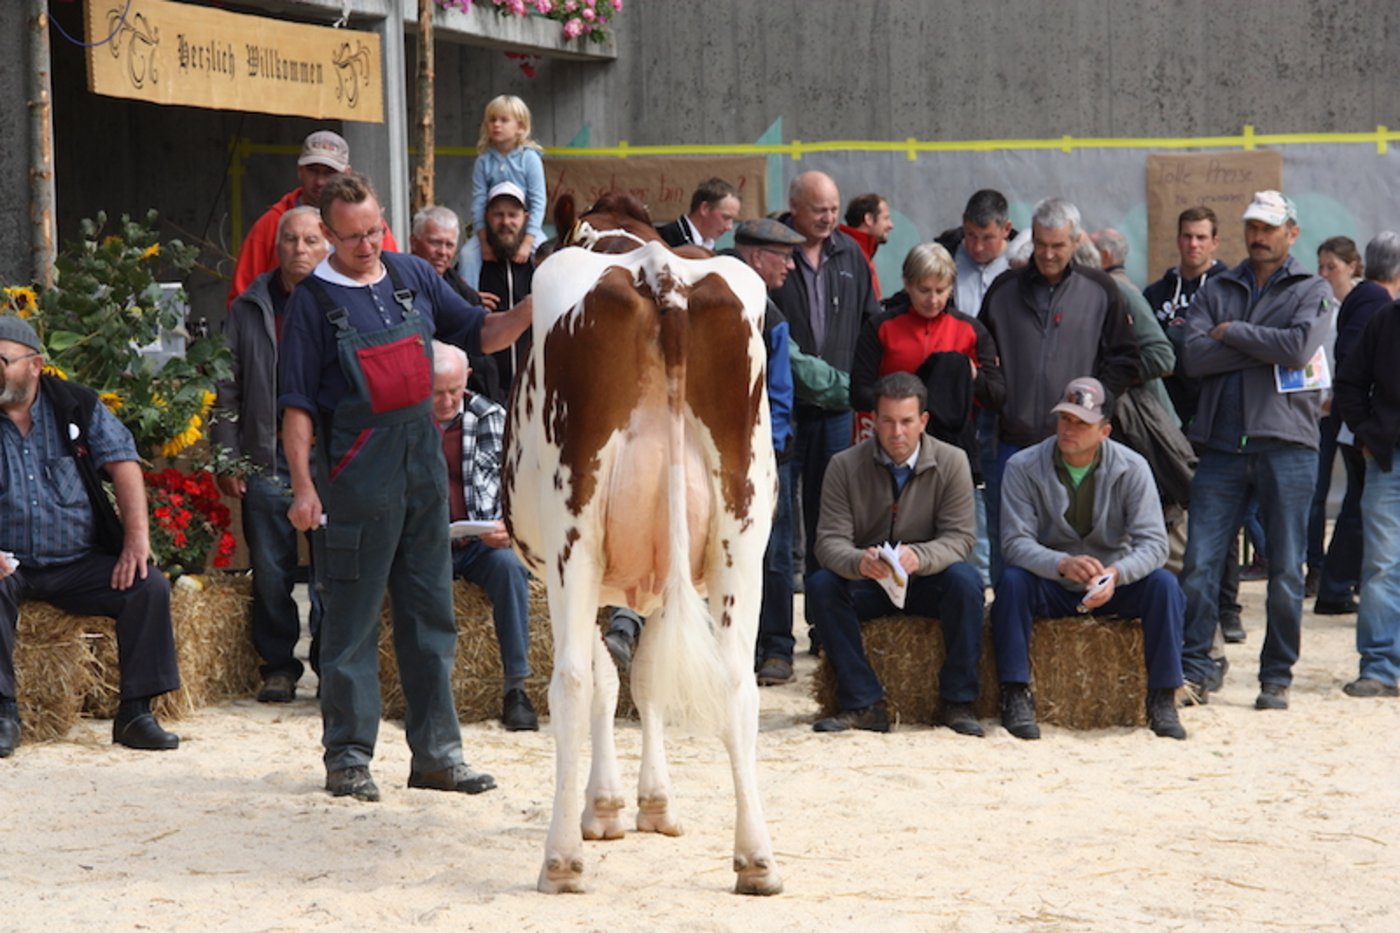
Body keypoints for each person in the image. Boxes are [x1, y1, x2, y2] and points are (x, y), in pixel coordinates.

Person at [278, 172, 532, 802]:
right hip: (357, 472)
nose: (367, 245)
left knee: (430, 616)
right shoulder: (312, 303)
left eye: (374, 230)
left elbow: (480, 333)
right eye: (352, 236)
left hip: (421, 467)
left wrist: (535, 306)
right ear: (328, 234)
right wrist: (304, 488)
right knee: (351, 624)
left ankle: (438, 757)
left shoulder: (412, 275)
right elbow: (298, 407)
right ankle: (349, 758)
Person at [1178, 190, 1334, 711]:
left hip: (1288, 444)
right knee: (1198, 563)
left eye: (1269, 227)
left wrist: (1233, 333)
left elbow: (1296, 349)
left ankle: (1276, 676)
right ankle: (1197, 668)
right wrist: (1258, 346)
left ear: (1292, 232)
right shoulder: (1218, 284)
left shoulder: (1312, 288)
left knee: (1287, 571)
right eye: (1253, 226)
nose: (1259, 236)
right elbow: (1192, 357)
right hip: (1221, 444)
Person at [0, 315, 181, 755]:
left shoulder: (75, 406)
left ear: (35, 365)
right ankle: (4, 713)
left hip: (77, 561)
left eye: (2, 360)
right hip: (8, 562)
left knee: (146, 585)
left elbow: (124, 462)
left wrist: (137, 540)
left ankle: (136, 714)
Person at [993, 377, 1186, 740]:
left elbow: (1155, 544)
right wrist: (1061, 563)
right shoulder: (1022, 465)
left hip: (1112, 583)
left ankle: (1162, 697)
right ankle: (1015, 693)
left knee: (1165, 586)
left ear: (1105, 431)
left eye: (1082, 423)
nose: (1070, 429)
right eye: (1065, 419)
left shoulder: (1133, 467)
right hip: (1052, 581)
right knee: (1012, 583)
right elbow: (1014, 542)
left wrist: (1116, 573)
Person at [806, 372, 984, 735]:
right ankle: (862, 701)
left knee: (967, 582)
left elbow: (961, 537)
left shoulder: (953, 462)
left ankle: (958, 701)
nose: (896, 432)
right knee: (822, 586)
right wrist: (859, 562)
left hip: (926, 581)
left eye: (906, 422)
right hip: (869, 582)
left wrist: (920, 556)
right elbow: (828, 542)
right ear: (873, 421)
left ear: (923, 421)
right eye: (887, 421)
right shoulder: (844, 465)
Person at [978, 197, 1140, 583]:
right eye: (1041, 244)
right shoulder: (1003, 291)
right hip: (1012, 444)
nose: (1048, 255)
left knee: (1073, 542)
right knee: (1010, 545)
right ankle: (1008, 627)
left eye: (1058, 245)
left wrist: (1095, 400)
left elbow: (1126, 359)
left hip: (1076, 445)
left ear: (1076, 241)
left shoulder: (1101, 290)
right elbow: (983, 356)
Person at [213, 206, 328, 704]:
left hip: (329, 460)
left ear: (327, 246)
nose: (299, 249)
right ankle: (278, 667)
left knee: (331, 572)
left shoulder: (340, 301)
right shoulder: (250, 307)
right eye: (290, 240)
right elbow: (226, 389)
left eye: (310, 240)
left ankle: (331, 666)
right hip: (265, 457)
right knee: (272, 570)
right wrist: (227, 456)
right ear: (276, 246)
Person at [769, 171, 881, 581]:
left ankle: (823, 625)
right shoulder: (774, 252)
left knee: (828, 520)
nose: (829, 217)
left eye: (834, 209)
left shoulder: (851, 254)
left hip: (835, 411)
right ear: (794, 207)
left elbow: (872, 323)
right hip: (785, 408)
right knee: (777, 520)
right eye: (819, 210)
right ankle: (776, 637)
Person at [431, 341, 537, 731]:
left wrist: (509, 526)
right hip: (428, 543)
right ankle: (432, 688)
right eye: (436, 392)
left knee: (510, 569)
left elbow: (521, 484)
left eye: (453, 391)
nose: (445, 401)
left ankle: (516, 688)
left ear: (467, 380)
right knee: (421, 584)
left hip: (479, 540)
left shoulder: (493, 416)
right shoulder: (406, 423)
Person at [851, 242, 1004, 486]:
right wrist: (901, 405)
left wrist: (971, 374)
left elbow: (996, 396)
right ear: (907, 285)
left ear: (951, 288)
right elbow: (859, 393)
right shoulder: (880, 327)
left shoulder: (971, 330)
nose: (933, 300)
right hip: (893, 450)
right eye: (924, 290)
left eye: (940, 290)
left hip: (951, 454)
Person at [1333, 231, 1400, 699]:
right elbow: (1349, 384)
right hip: (1389, 461)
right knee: (1381, 564)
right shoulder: (1384, 321)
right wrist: (1369, 434)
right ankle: (1379, 666)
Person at [227, 131, 399, 305]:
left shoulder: (369, 226)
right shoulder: (272, 224)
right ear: (300, 171)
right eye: (313, 171)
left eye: (329, 172)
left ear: (347, 173)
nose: (320, 181)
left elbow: (392, 280)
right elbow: (243, 300)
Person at [1306, 235, 1366, 611]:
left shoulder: (1362, 304)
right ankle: (1315, 565)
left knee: (1357, 494)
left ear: (1352, 267)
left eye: (1332, 267)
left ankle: (1346, 570)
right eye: (1322, 266)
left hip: (1348, 409)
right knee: (1314, 491)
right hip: (1319, 410)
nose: (1325, 273)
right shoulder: (1318, 304)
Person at [408, 204, 503, 403]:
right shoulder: (402, 286)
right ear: (413, 242)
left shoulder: (458, 285)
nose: (443, 252)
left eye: (449, 245)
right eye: (435, 243)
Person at [460, 94, 547, 289]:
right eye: (492, 120)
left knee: (546, 256)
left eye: (503, 120)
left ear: (520, 127)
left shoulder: (530, 159)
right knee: (467, 255)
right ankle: (470, 303)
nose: (496, 125)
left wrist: (527, 242)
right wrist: (483, 241)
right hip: (493, 227)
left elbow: (539, 201)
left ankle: (547, 302)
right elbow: (479, 202)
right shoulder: (483, 161)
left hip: (525, 228)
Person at [476, 181, 537, 396]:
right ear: (487, 218)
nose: (505, 222)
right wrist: (468, 299)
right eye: (498, 215)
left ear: (526, 219)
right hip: (485, 392)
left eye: (513, 215)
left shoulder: (539, 266)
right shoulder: (473, 265)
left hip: (534, 392)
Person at [656, 177, 741, 250]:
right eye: (725, 217)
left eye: (732, 219)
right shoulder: (663, 240)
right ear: (705, 209)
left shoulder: (709, 245)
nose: (729, 227)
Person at [838, 193, 894, 299]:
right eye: (886, 218)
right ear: (868, 219)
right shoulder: (848, 256)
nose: (891, 225)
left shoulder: (861, 254)